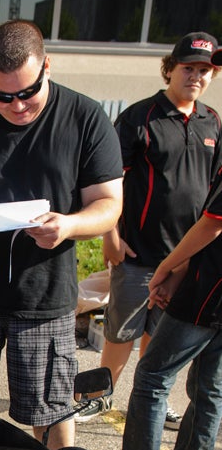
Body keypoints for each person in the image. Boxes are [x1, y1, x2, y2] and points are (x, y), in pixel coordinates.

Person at [0, 20, 122, 450]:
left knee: (51, 411)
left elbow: (108, 203)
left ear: (47, 66)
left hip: (44, 297)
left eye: (27, 93)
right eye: (2, 95)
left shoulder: (84, 117)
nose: (16, 106)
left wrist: (68, 225)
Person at [77, 31, 221, 425]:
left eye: (204, 70)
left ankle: (150, 399)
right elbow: (109, 181)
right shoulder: (141, 118)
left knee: (158, 339)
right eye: (188, 67)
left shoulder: (213, 121)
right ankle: (99, 396)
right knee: (121, 332)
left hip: (184, 260)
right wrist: (111, 237)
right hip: (139, 253)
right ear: (169, 69)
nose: (195, 76)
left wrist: (191, 259)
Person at [119, 98, 222, 450]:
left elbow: (214, 221)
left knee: (153, 375)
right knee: (210, 385)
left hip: (211, 289)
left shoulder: (212, 121)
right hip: (208, 279)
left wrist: (169, 265)